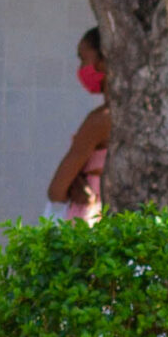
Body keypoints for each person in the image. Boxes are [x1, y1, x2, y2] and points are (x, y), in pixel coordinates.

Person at [46, 27, 112, 221]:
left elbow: (56, 190)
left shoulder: (99, 120)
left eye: (83, 59)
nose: (81, 68)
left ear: (104, 62)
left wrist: (74, 182)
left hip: (90, 220)